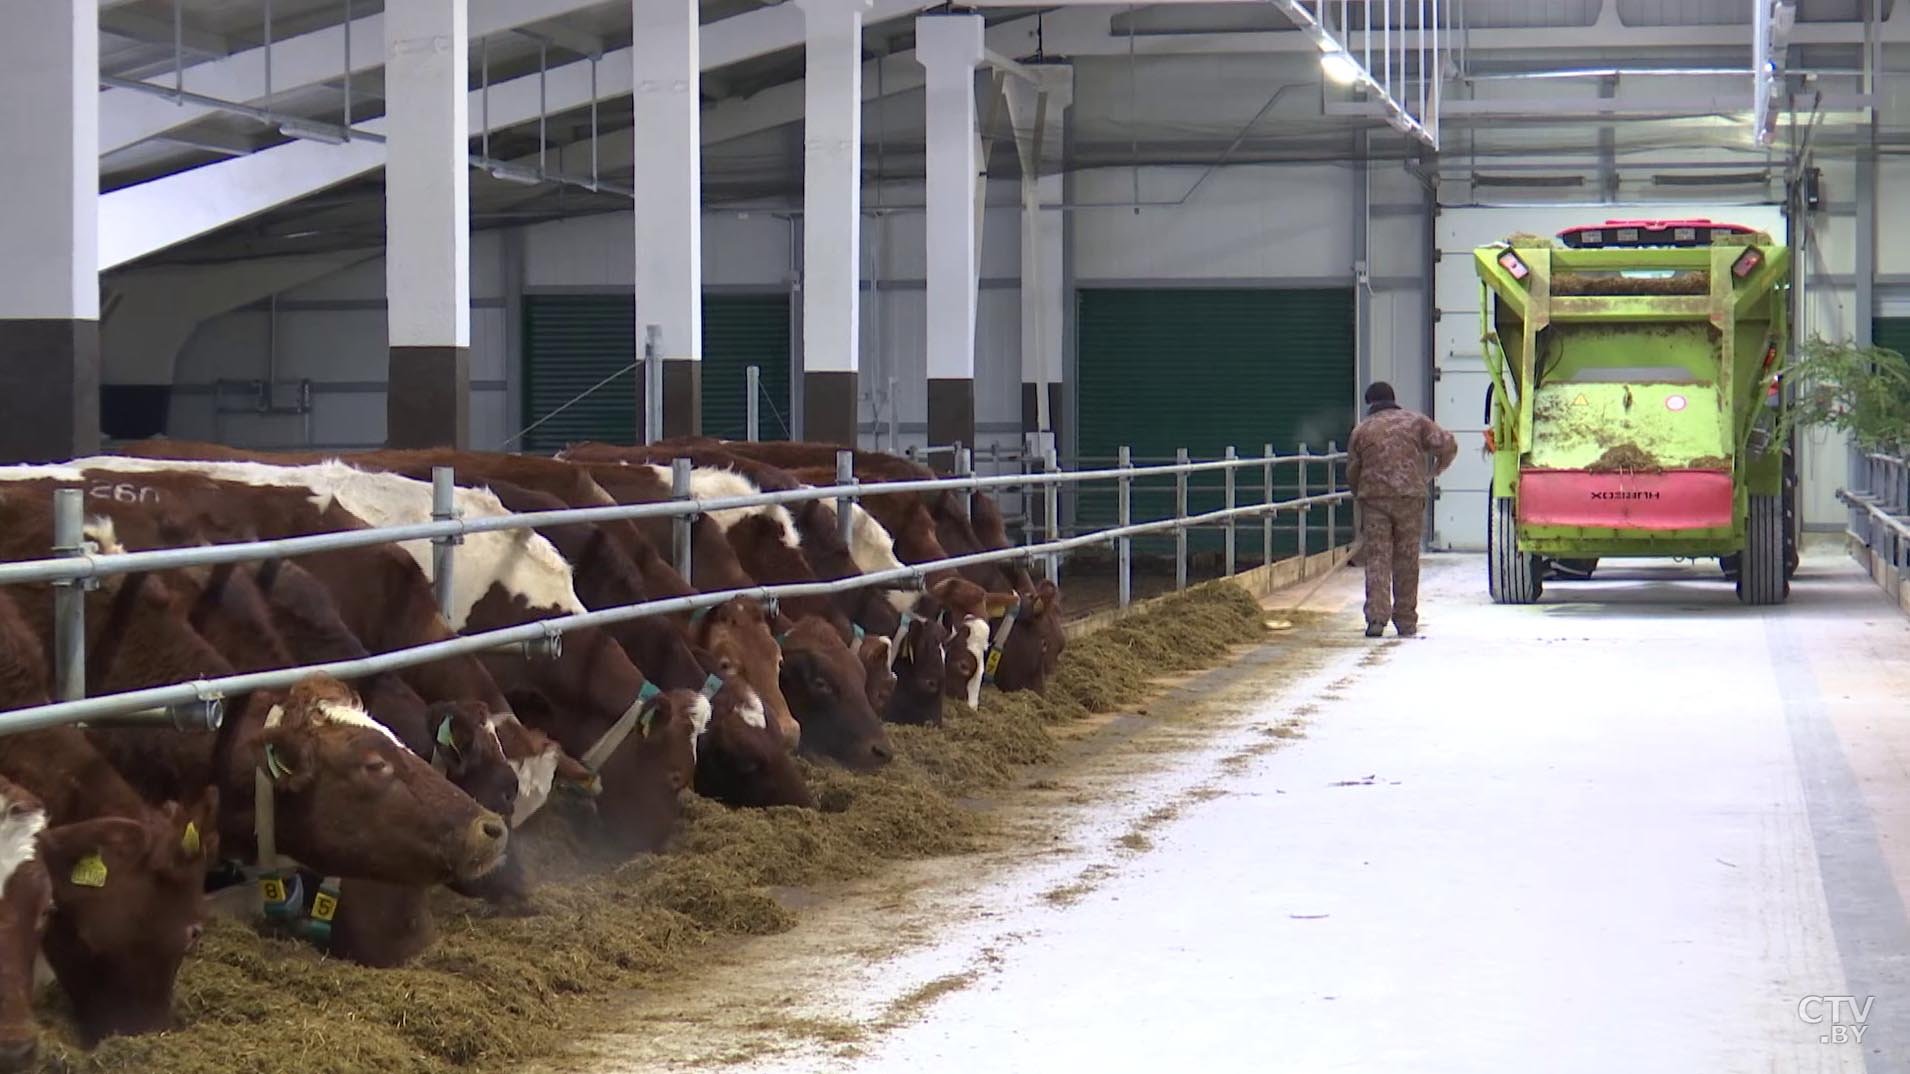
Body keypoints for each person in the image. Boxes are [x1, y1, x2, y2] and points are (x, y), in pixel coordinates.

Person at [1345, 382, 1457, 638]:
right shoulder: (1416, 422)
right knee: (1407, 560)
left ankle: (1376, 618)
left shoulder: (1362, 430)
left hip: (1375, 501)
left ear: (1370, 403)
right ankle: (1406, 621)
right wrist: (1432, 473)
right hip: (1409, 498)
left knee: (1377, 559)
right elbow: (1448, 444)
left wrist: (1359, 494)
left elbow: (1352, 469)